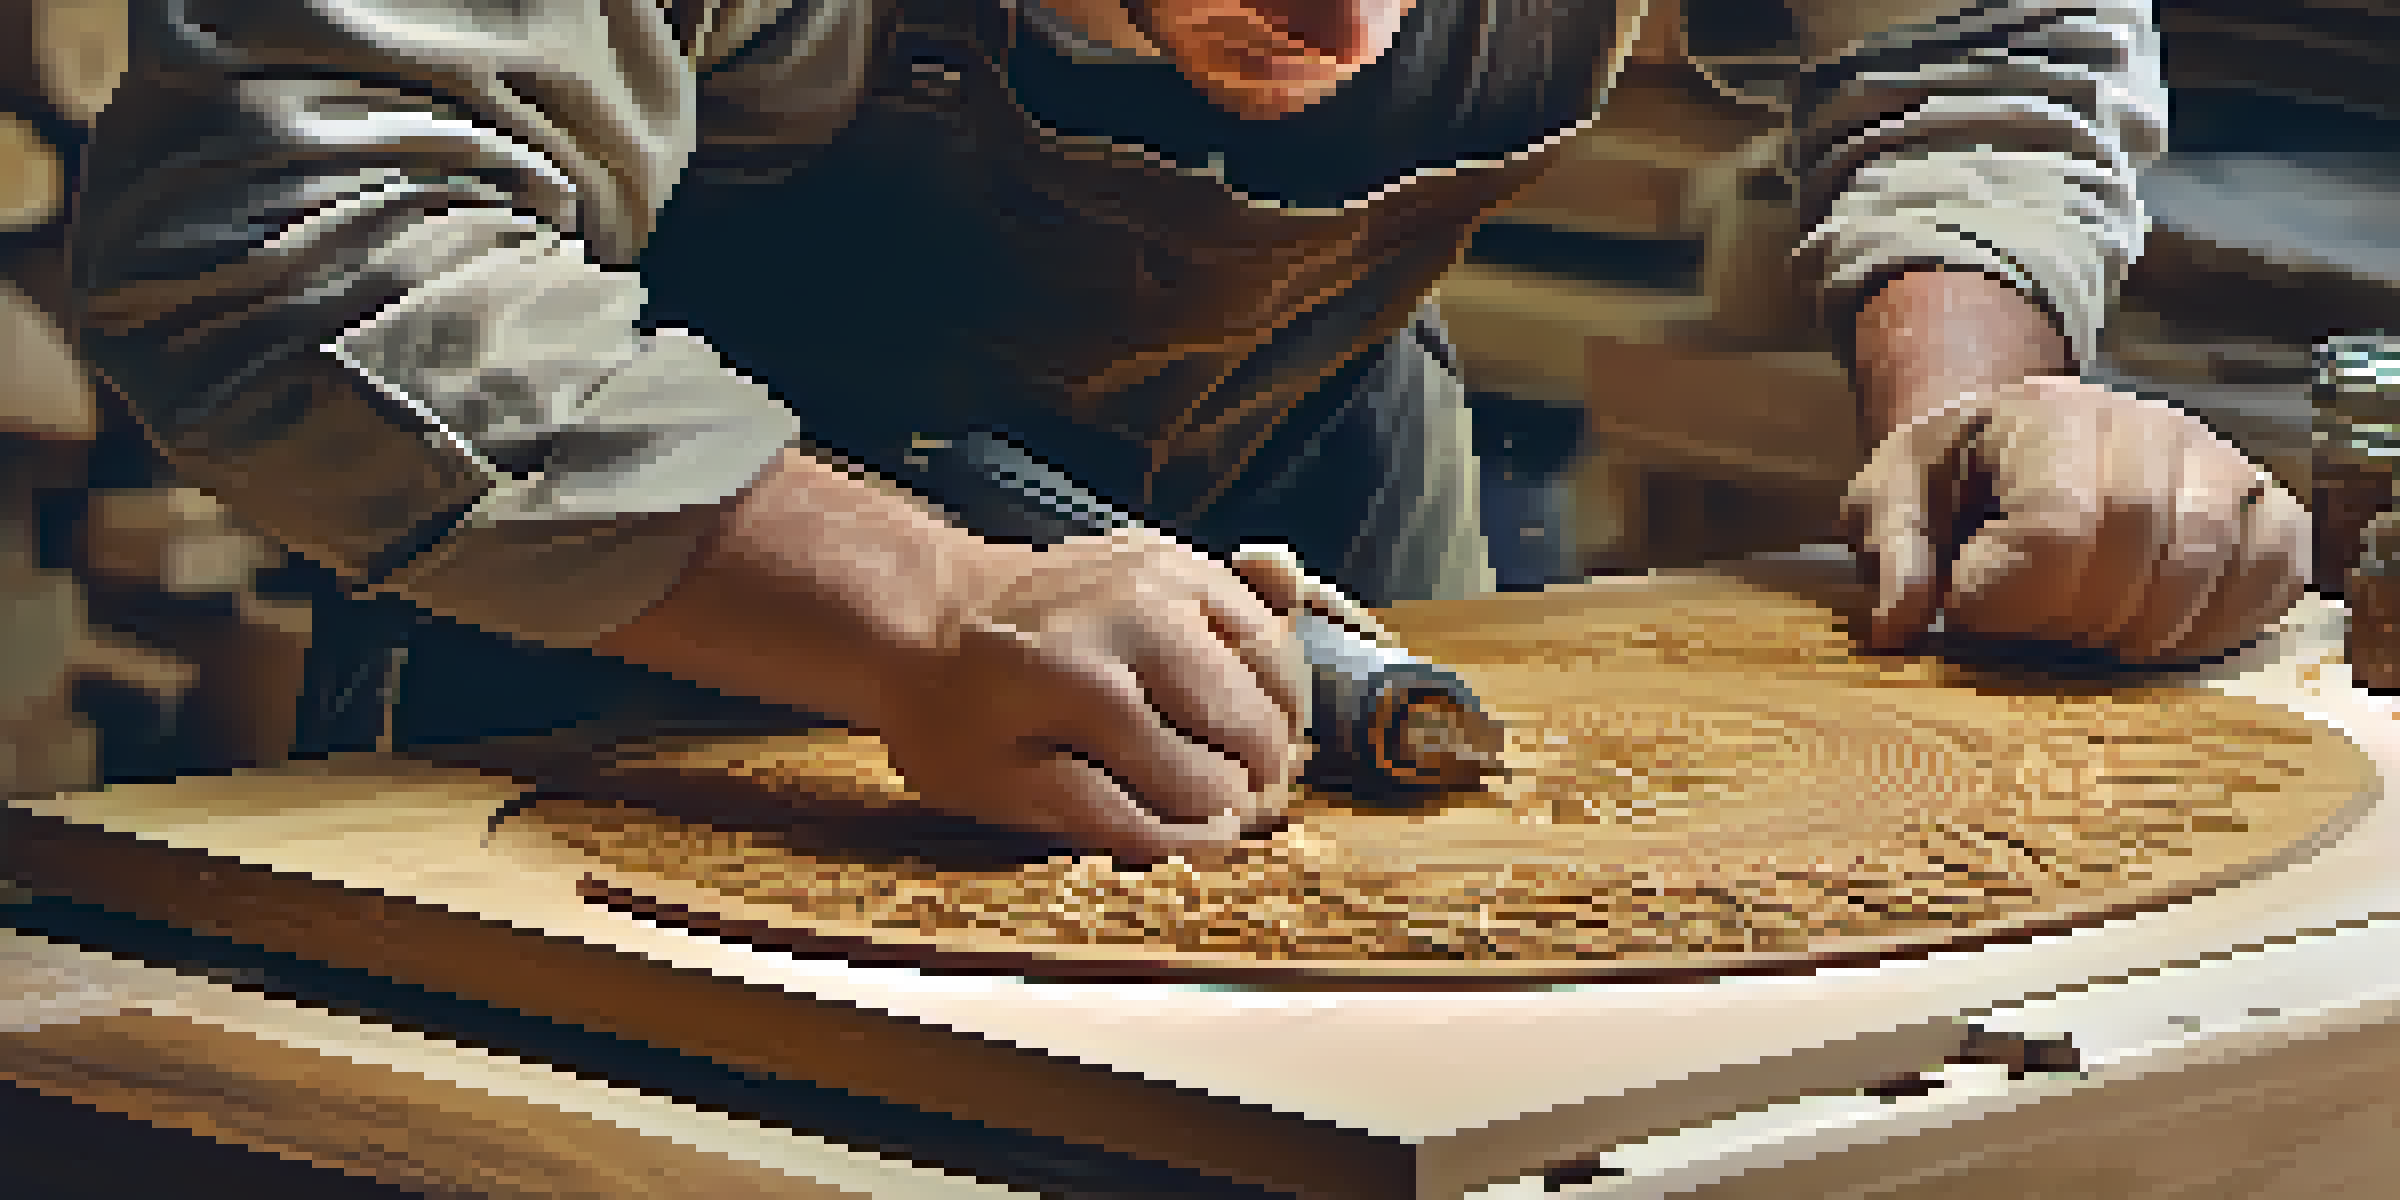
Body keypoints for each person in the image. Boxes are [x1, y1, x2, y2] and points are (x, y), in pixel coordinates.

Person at [69, 0, 2304, 860]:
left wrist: (1987, 399)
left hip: (1335, 539)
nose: (1342, 14)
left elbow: (1978, 32)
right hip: (658, 632)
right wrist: (933, 616)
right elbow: (291, 225)